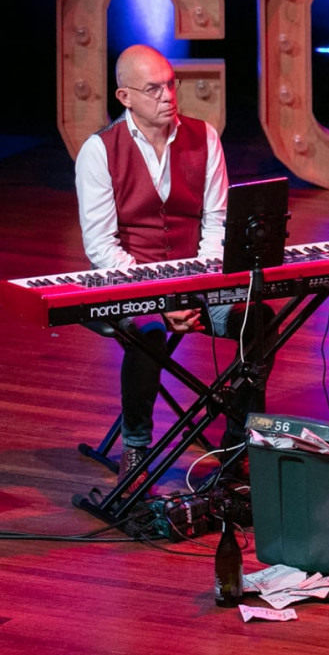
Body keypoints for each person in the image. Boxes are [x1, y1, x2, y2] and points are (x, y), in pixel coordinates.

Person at [74, 44, 273, 492]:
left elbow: (217, 224)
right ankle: (137, 446)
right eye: (153, 89)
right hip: (127, 285)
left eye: (170, 84)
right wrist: (161, 300)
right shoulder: (99, 151)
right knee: (148, 330)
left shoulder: (204, 137)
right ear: (125, 97)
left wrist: (195, 289)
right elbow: (101, 247)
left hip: (196, 280)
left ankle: (238, 442)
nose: (167, 95)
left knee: (257, 320)